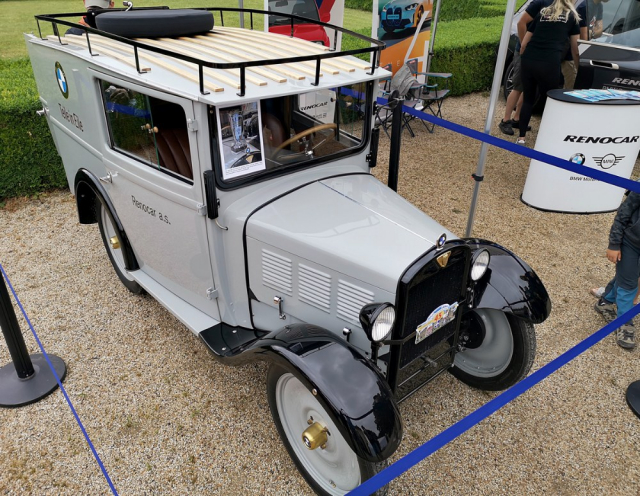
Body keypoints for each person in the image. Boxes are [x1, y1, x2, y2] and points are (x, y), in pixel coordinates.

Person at [517, 0, 581, 145]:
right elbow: (575, 49)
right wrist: (578, 66)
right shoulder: (572, 17)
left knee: (528, 99)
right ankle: (546, 138)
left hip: (530, 59)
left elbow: (526, 41)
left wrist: (524, 55)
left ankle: (521, 138)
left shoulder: (543, 13)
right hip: (549, 62)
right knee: (549, 100)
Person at [594, 190, 640, 349]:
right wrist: (614, 244)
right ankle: (625, 323)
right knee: (628, 284)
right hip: (631, 243)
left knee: (629, 276)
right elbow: (624, 213)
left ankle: (605, 301)